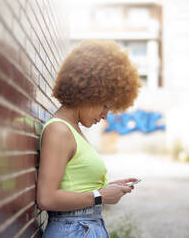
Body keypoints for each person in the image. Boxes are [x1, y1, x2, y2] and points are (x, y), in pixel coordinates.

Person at [37, 40, 141, 238]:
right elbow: (46, 198)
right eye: (104, 106)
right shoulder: (59, 131)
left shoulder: (73, 130)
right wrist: (100, 196)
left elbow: (74, 184)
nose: (105, 115)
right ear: (87, 91)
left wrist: (108, 188)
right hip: (73, 230)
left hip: (82, 228)